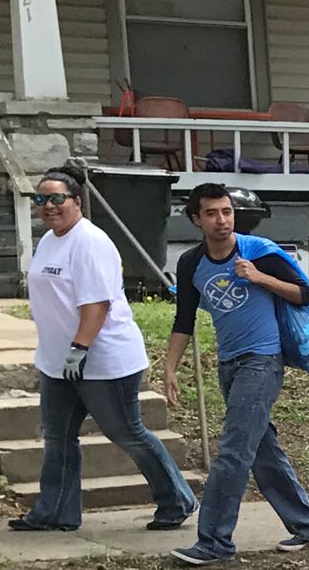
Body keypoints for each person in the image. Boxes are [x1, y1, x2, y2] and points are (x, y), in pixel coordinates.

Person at [10, 166, 196, 534]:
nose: (48, 205)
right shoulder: (50, 239)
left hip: (102, 360)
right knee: (58, 437)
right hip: (57, 363)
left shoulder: (90, 242)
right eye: (41, 199)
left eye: (57, 198)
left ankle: (177, 499)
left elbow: (97, 305)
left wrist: (80, 348)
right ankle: (55, 512)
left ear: (77, 202)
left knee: (127, 432)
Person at [160, 184, 309, 566]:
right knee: (262, 451)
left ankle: (215, 542)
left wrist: (260, 278)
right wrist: (170, 368)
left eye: (227, 212)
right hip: (229, 364)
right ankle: (308, 524)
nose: (222, 220)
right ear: (195, 220)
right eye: (212, 214)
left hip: (263, 361)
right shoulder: (191, 263)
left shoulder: (259, 252)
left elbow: (304, 294)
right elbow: (183, 319)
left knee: (233, 452)